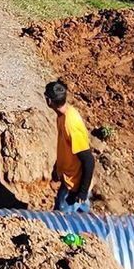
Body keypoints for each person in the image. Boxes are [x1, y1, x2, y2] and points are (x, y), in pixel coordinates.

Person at [45, 79, 95, 213]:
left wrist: (82, 192)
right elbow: (66, 147)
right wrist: (57, 167)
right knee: (82, 225)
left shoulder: (70, 124)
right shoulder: (64, 114)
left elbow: (89, 161)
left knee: (61, 224)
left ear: (49, 101)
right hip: (71, 180)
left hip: (73, 187)